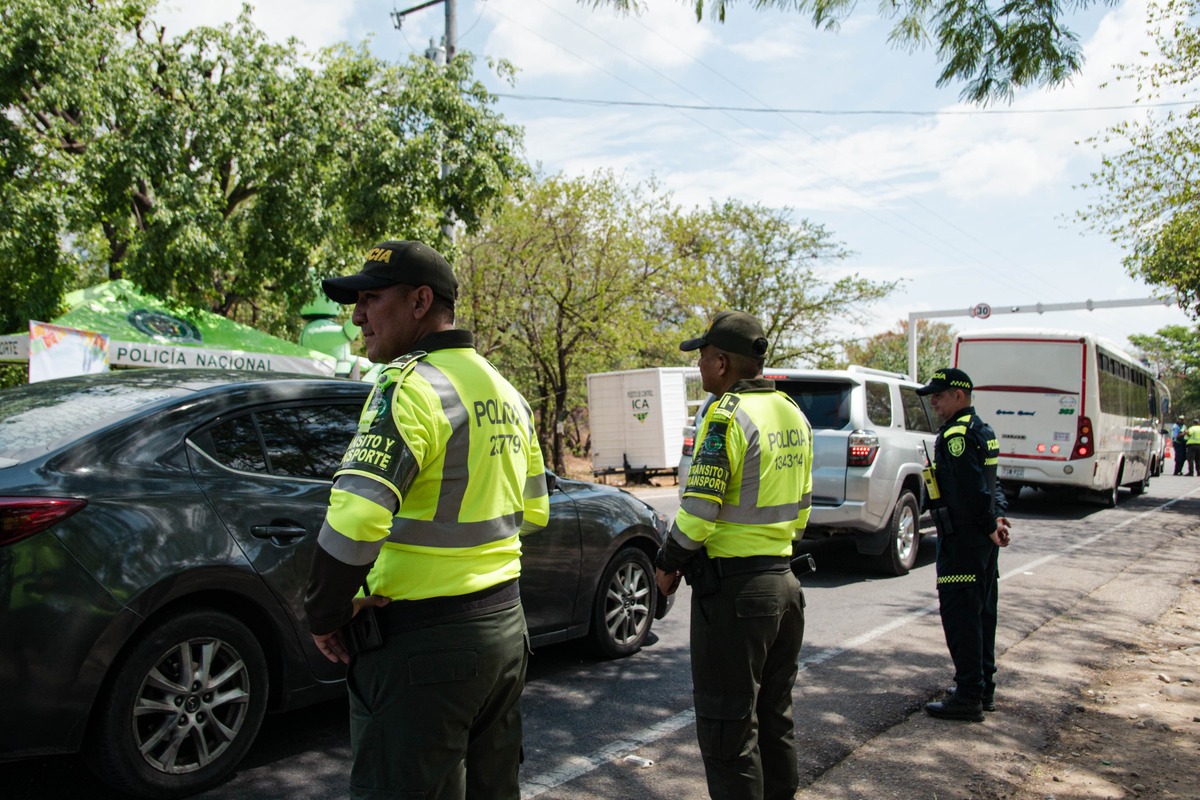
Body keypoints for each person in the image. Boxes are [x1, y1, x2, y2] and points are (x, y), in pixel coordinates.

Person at [304, 240, 550, 800]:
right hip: (504, 633)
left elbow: (358, 518)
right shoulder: (506, 391)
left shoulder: (409, 385)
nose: (357, 315)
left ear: (420, 302)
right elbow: (534, 512)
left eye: (370, 298)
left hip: (423, 649)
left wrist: (326, 612)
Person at [654, 310, 813, 800]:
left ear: (722, 363)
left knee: (729, 735)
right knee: (775, 722)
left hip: (735, 598)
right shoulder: (793, 413)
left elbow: (698, 512)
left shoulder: (725, 416)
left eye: (702, 356)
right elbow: (803, 509)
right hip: (785, 586)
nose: (700, 365)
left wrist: (668, 563)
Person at [919, 368, 1011, 723]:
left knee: (961, 616)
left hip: (963, 541)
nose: (935, 403)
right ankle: (983, 688)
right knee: (983, 613)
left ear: (960, 395)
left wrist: (989, 524)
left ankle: (968, 695)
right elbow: (993, 485)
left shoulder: (957, 435)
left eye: (939, 396)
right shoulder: (982, 430)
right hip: (982, 540)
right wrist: (998, 519)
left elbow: (972, 490)